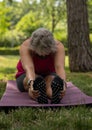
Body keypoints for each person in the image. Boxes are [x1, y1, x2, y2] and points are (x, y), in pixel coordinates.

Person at [15, 28, 67, 104]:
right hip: (27, 76)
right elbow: (29, 68)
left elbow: (59, 67)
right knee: (35, 81)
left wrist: (63, 84)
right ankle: (37, 92)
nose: (44, 55)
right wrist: (31, 82)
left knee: (51, 80)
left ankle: (54, 95)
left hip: (49, 73)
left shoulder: (58, 46)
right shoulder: (26, 46)